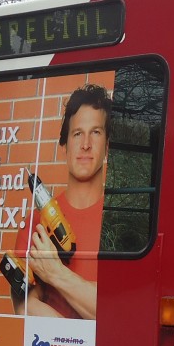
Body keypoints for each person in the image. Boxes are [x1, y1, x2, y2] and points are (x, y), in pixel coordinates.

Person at [12, 83, 110, 319]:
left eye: (95, 132)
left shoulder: (120, 221)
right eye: (77, 133)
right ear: (64, 145)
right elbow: (26, 308)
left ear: (107, 145)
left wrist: (56, 273)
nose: (85, 144)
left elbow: (117, 312)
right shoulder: (37, 223)